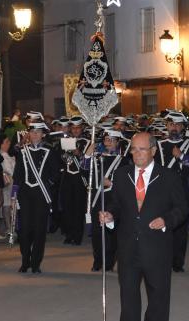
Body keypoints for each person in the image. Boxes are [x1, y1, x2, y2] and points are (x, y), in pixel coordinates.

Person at [99, 132, 188, 321]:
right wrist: (110, 215)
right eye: (133, 149)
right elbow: (116, 203)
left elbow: (182, 208)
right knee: (128, 298)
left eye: (142, 149)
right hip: (128, 248)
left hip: (157, 247)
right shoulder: (121, 175)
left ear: (153, 151)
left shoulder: (168, 177)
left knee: (158, 299)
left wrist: (166, 220)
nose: (137, 153)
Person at [13, 122, 60, 273]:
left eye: (38, 132)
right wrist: (15, 192)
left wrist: (48, 184)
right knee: (25, 230)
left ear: (43, 134)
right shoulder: (23, 151)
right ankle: (25, 261)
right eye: (32, 131)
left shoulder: (50, 150)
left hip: (42, 195)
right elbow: (18, 173)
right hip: (25, 195)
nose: (35, 134)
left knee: (40, 230)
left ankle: (35, 263)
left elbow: (55, 172)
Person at [154, 111, 189, 272]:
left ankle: (178, 263)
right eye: (171, 124)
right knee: (161, 226)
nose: (174, 128)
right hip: (162, 192)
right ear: (167, 126)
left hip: (181, 191)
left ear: (183, 127)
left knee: (179, 229)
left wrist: (181, 156)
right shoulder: (158, 145)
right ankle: (162, 261)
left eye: (178, 125)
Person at [83, 129, 130, 272]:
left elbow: (128, 183)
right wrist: (87, 154)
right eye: (106, 140)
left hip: (114, 200)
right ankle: (98, 261)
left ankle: (109, 262)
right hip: (98, 199)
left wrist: (111, 184)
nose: (108, 143)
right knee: (97, 234)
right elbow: (83, 169)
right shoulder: (97, 158)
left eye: (112, 140)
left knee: (111, 233)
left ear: (117, 143)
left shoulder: (124, 160)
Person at [60, 116, 90, 245]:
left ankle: (77, 236)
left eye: (78, 128)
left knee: (78, 208)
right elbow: (62, 159)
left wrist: (79, 153)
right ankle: (69, 234)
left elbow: (89, 162)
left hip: (79, 178)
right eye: (73, 128)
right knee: (67, 207)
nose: (75, 130)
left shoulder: (87, 142)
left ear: (81, 128)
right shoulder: (66, 140)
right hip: (67, 177)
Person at [0, 134, 16, 238]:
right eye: (6, 142)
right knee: (7, 206)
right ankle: (9, 227)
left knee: (8, 205)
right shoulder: (2, 155)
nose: (9, 144)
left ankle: (9, 227)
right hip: (8, 182)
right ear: (1, 144)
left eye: (9, 142)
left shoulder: (6, 154)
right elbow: (10, 170)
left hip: (10, 182)